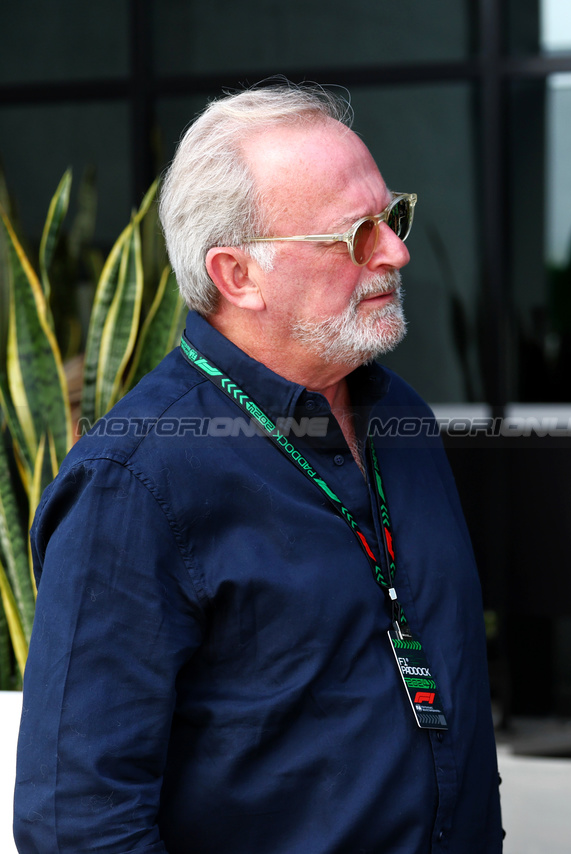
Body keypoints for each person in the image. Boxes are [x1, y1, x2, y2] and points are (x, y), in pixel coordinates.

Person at [14, 83, 502, 853]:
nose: (397, 252)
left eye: (393, 217)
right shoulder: (136, 481)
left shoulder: (399, 417)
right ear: (237, 274)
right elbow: (79, 822)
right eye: (357, 235)